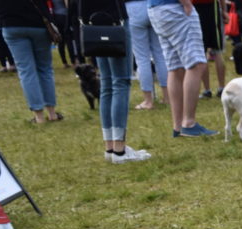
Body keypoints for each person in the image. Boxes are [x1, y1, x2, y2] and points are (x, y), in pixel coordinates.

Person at [75, 0, 152, 161]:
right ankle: (119, 149)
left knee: (108, 84)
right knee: (120, 82)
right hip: (114, 20)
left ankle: (111, 147)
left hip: (94, 21)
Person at [147, 0, 218, 135]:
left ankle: (178, 126)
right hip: (175, 8)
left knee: (175, 67)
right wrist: (186, 3)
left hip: (156, 9)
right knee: (196, 64)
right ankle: (189, 123)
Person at [0, 0, 62, 123]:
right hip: (38, 24)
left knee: (26, 71)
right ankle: (52, 113)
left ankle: (39, 116)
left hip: (11, 24)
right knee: (45, 69)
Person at [126, 0, 169, 108]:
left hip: (133, 8)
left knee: (142, 58)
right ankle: (167, 96)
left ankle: (148, 100)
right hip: (152, 6)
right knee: (160, 55)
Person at [193, 0, 226, 97]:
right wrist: (224, 10)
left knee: (202, 52)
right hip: (211, 8)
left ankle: (207, 89)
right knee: (217, 51)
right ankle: (221, 87)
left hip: (196, 8)